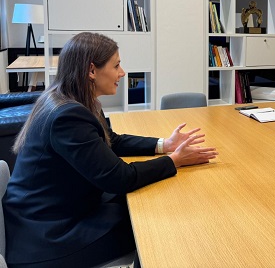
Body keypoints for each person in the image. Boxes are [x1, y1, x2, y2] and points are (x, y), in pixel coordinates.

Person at [3, 32, 218, 267]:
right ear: (91, 70)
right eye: (116, 66)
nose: (122, 73)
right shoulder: (68, 116)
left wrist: (163, 145)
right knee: (156, 226)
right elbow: (119, 178)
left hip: (58, 211)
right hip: (47, 237)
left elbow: (111, 140)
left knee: (149, 204)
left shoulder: (71, 100)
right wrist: (174, 160)